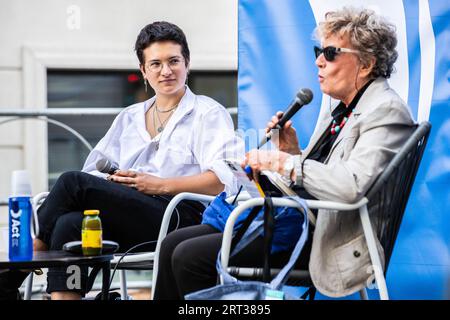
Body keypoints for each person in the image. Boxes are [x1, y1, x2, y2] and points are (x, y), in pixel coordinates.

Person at [153, 7, 415, 299]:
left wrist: (285, 162)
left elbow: (350, 186)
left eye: (330, 53)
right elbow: (320, 178)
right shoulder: (342, 108)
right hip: (301, 223)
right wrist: (291, 151)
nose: (318, 61)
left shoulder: (385, 110)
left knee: (189, 256)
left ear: (365, 64)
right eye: (319, 50)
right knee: (173, 243)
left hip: (327, 239)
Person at [0, 21, 243, 300]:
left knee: (71, 181)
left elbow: (222, 181)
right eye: (156, 64)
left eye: (174, 61)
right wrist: (117, 182)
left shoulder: (207, 113)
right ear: (143, 71)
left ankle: (15, 272)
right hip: (130, 216)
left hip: (182, 219)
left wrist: (160, 185)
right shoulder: (129, 117)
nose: (166, 71)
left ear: (187, 63)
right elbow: (94, 171)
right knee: (70, 223)